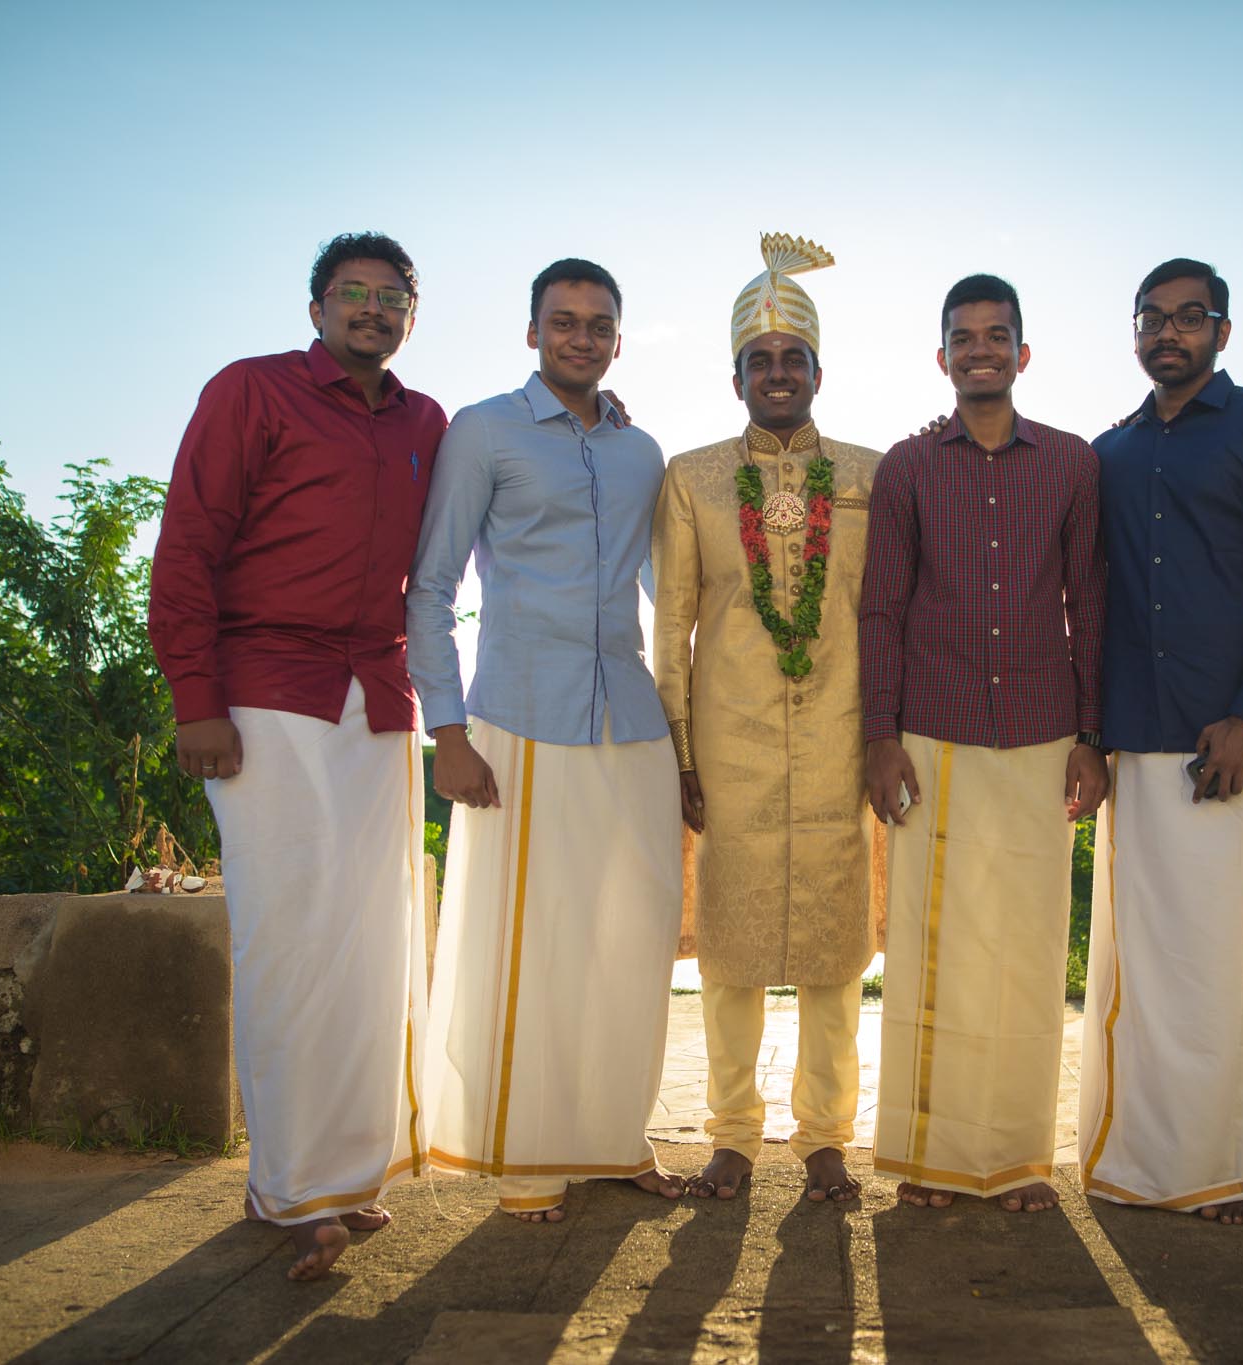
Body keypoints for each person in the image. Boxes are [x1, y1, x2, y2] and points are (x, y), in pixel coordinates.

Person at [148, 232, 445, 1281]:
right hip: (264, 694)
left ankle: (348, 1175)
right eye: (352, 293)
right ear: (317, 306)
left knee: (372, 943)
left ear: (413, 310)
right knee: (287, 937)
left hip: (379, 702)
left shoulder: (424, 422)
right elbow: (186, 546)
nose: (372, 309)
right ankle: (288, 1190)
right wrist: (197, 701)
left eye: (391, 296)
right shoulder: (251, 392)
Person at [408, 257, 684, 1223]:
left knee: (631, 936)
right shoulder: (482, 431)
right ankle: (525, 1155)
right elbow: (433, 588)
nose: (581, 336)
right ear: (533, 332)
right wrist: (447, 731)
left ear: (619, 336)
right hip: (517, 720)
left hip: (634, 725)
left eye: (598, 323)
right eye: (562, 321)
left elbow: (672, 593)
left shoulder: (644, 450)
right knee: (528, 943)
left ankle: (613, 1140)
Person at [1079, 258, 1243, 1225]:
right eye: (1154, 317)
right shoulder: (1110, 449)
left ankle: (1229, 1166)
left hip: (1228, 739)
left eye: (1191, 317)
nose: (1170, 332)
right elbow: (1091, 598)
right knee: (1142, 967)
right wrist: (1092, 737)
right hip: (1133, 740)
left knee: (1221, 963)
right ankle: (1138, 1160)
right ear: (1135, 332)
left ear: (1222, 331)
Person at [860, 273, 1108, 1214]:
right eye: (962, 337)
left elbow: (1089, 603)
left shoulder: (1074, 465)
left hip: (1045, 735)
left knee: (1029, 951)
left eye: (995, 335)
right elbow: (882, 608)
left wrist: (1093, 735)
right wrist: (880, 738)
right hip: (934, 733)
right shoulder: (910, 466)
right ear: (942, 357)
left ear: (1022, 352)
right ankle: (929, 1157)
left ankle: (1014, 1161)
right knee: (934, 950)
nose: (979, 350)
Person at [651, 233, 883, 1206]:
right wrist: (679, 756)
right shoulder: (691, 478)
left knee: (834, 952)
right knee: (733, 954)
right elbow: (670, 628)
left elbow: (891, 617)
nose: (776, 373)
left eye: (793, 359)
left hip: (837, 737)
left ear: (818, 372)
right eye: (760, 360)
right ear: (737, 373)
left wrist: (884, 741)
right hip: (732, 747)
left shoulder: (874, 476)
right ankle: (734, 1136)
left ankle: (825, 1137)